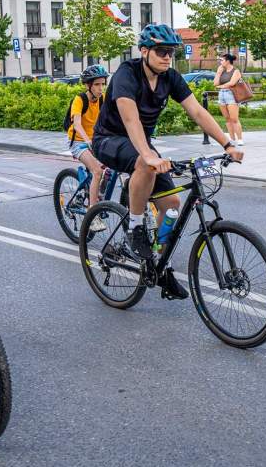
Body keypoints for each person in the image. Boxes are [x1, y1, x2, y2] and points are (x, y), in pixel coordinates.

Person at [92, 23, 244, 296]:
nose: (166, 57)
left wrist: (227, 143)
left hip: (141, 143)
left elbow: (197, 112)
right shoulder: (127, 74)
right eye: (161, 51)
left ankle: (161, 267)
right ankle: (135, 226)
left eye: (171, 52)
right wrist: (148, 155)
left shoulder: (170, 77)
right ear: (144, 51)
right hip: (110, 138)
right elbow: (130, 119)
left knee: (172, 205)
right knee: (143, 163)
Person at [66, 65, 108, 208]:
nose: (100, 88)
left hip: (96, 141)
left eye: (102, 84)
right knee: (97, 171)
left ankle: (89, 193)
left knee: (114, 165)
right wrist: (88, 141)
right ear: (88, 85)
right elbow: (77, 124)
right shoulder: (80, 99)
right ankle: (92, 212)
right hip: (79, 142)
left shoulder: (103, 98)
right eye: (96, 84)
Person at [214, 53, 244, 146]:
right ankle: (232, 139)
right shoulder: (221, 71)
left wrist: (220, 86)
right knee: (227, 119)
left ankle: (240, 139)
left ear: (227, 61)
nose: (220, 62)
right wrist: (218, 73)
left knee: (234, 119)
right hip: (221, 95)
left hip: (231, 95)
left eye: (222, 60)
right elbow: (215, 83)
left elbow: (232, 83)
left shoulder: (236, 71)